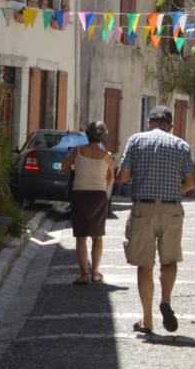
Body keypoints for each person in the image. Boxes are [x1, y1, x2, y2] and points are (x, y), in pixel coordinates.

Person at [115, 105, 195, 334]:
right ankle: (166, 301)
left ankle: (147, 319)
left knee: (144, 264)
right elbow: (191, 181)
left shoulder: (136, 140)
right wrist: (176, 190)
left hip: (143, 208)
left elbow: (123, 176)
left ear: (149, 122)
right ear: (170, 125)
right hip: (171, 209)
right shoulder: (181, 145)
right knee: (169, 260)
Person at [62, 121, 115, 286]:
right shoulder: (107, 156)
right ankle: (96, 273)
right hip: (98, 195)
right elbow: (111, 176)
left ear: (87, 134)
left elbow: (64, 167)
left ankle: (84, 274)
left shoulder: (78, 151)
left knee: (81, 236)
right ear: (102, 136)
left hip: (80, 195)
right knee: (98, 236)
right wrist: (103, 185)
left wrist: (75, 172)